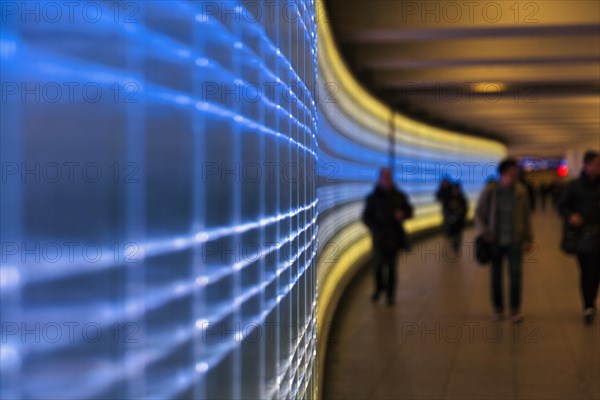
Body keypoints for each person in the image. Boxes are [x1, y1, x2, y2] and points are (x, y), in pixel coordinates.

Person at [475, 158, 533, 323]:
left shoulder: (521, 191)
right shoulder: (490, 191)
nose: (514, 178)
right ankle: (498, 308)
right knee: (496, 276)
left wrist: (528, 238)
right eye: (511, 174)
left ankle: (515, 309)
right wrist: (485, 233)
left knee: (516, 274)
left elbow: (526, 216)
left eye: (516, 174)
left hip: (515, 239)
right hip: (495, 240)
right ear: (502, 175)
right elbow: (478, 214)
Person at [559, 151, 600, 325]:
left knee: (596, 271)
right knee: (586, 270)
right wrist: (571, 216)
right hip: (582, 235)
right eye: (596, 164)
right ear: (587, 165)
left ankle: (591, 299)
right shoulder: (575, 186)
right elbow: (562, 206)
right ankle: (588, 305)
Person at [362, 167, 414, 305]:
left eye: (389, 177)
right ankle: (379, 288)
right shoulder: (373, 198)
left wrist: (403, 214)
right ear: (380, 179)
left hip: (394, 238)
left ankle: (390, 295)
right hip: (379, 238)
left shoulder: (399, 196)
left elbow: (410, 211)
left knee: (392, 267)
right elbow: (366, 217)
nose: (387, 180)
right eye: (385, 177)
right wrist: (375, 228)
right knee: (378, 266)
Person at [436, 180, 468, 252]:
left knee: (457, 234)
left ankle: (456, 246)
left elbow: (465, 209)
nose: (456, 190)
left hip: (459, 221)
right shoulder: (448, 197)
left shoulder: (461, 198)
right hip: (451, 220)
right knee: (451, 233)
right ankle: (453, 244)